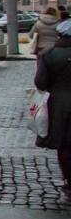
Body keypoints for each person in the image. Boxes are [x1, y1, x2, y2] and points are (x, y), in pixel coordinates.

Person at [35, 17, 71, 193]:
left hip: (59, 105)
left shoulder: (49, 54)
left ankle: (68, 179)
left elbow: (40, 83)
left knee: (64, 145)